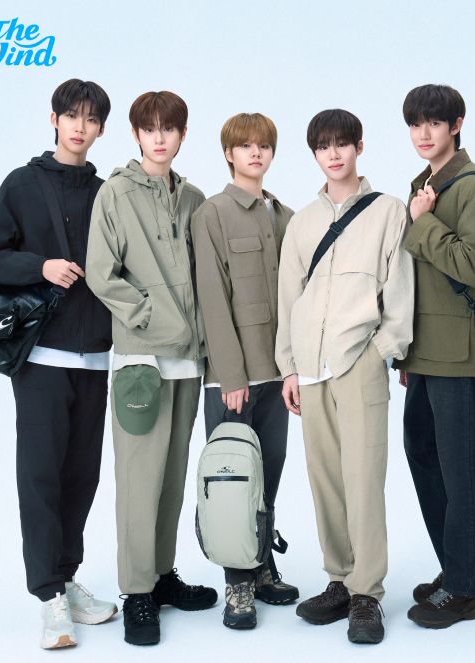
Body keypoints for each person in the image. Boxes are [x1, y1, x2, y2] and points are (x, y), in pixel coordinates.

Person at [0, 78, 117, 650]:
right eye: (71, 115)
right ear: (54, 119)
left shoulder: (107, 192)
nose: (80, 127)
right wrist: (42, 266)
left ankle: (67, 576)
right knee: (40, 475)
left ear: (101, 128)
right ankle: (48, 596)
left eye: (91, 118)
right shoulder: (22, 184)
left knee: (82, 475)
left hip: (96, 356)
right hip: (41, 357)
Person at [275, 108, 414, 645]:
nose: (333, 154)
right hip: (311, 369)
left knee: (363, 479)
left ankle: (367, 593)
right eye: (323, 146)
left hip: (359, 364)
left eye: (342, 144)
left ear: (359, 147)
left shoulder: (388, 212)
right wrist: (290, 366)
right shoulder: (302, 223)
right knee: (325, 480)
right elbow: (290, 298)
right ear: (314, 154)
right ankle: (339, 579)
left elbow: (399, 292)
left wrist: (380, 352)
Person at [85, 90, 216, 647]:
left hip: (188, 361)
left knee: (171, 478)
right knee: (138, 481)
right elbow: (101, 272)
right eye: (149, 128)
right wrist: (149, 317)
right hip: (141, 359)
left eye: (170, 128)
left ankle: (162, 576)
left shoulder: (194, 199)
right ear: (136, 134)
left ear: (183, 135)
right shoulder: (115, 193)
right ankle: (136, 591)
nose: (159, 138)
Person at [395, 83, 475, 630]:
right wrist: (407, 351)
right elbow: (415, 278)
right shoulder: (425, 184)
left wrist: (422, 222)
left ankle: (465, 588)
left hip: (462, 350)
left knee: (459, 460)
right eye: (416, 124)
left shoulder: (472, 186)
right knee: (421, 446)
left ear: (457, 125)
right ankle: (459, 567)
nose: (424, 133)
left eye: (435, 123)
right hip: (428, 348)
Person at [191, 112, 299, 630]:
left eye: (264, 146)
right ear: (229, 154)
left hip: (277, 374)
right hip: (232, 379)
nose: (256, 153)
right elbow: (212, 299)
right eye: (245, 146)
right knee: (233, 481)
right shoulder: (211, 214)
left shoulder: (284, 215)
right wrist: (230, 375)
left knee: (269, 472)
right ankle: (237, 582)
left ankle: (261, 564)